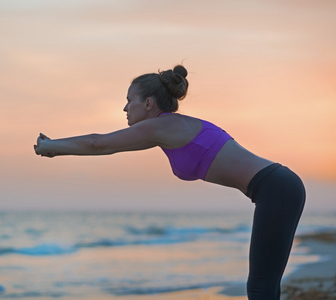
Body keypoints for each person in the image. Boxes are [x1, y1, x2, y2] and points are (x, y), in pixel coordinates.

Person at [34, 65, 305, 300]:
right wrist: (56, 147)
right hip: (277, 186)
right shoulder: (168, 128)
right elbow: (104, 145)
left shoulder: (161, 127)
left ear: (149, 103)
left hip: (275, 188)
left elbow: (98, 143)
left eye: (130, 100)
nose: (125, 107)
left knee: (260, 286)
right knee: (265, 284)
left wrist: (52, 146)